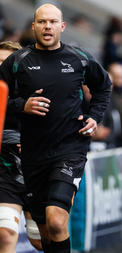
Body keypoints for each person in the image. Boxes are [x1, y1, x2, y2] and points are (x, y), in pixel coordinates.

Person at [0, 4, 111, 253]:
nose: (47, 26)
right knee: (45, 237)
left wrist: (94, 117)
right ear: (34, 26)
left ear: (62, 27)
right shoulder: (18, 61)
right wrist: (22, 105)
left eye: (52, 22)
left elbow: (103, 87)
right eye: (41, 22)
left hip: (70, 149)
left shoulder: (78, 57)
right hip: (33, 155)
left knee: (57, 221)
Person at [0, 41, 42, 253]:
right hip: (6, 172)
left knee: (41, 240)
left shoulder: (40, 91)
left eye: (6, 63)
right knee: (6, 234)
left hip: (37, 172)